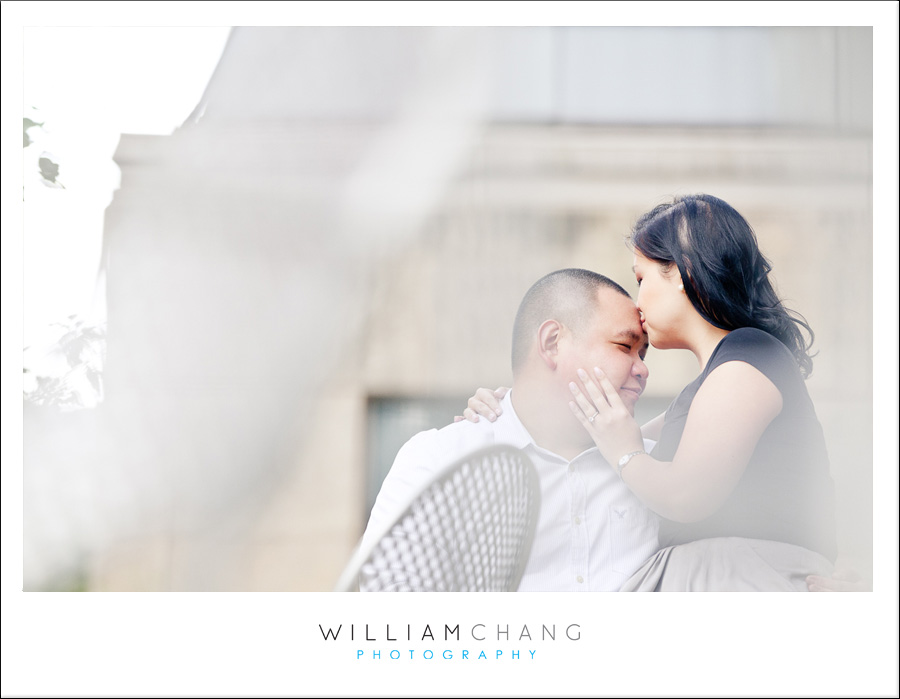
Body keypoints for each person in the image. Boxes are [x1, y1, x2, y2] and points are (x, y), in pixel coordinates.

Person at [466, 194, 842, 591]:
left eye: (641, 279)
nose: (638, 302)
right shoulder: (716, 381)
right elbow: (615, 434)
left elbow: (684, 493)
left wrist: (625, 453)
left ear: (683, 273)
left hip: (739, 581)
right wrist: (515, 407)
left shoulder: (750, 356)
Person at [361, 269, 660, 591]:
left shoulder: (659, 468)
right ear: (552, 343)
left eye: (643, 354)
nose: (643, 369)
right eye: (624, 346)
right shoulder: (440, 459)